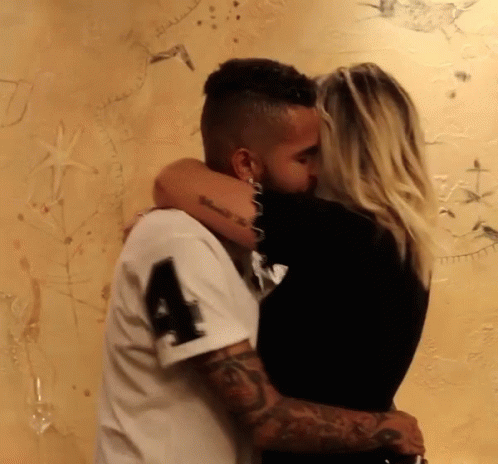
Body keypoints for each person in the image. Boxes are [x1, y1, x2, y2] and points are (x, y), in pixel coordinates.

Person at [95, 58, 425, 464]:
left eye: (318, 153)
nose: (314, 172)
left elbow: (175, 180)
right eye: (305, 157)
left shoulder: (345, 236)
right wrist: (385, 425)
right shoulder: (392, 244)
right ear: (247, 164)